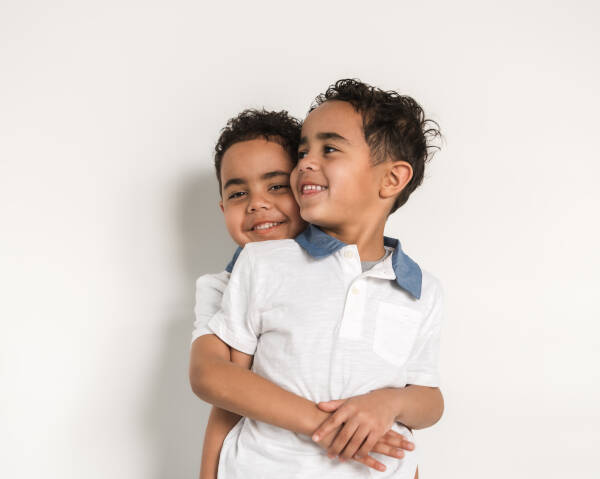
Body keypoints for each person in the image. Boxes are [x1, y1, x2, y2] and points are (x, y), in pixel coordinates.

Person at [191, 108, 422, 479]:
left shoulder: (388, 280)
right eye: (238, 193)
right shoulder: (231, 281)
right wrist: (331, 428)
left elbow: (403, 391)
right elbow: (224, 392)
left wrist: (391, 412)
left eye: (277, 186)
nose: (257, 204)